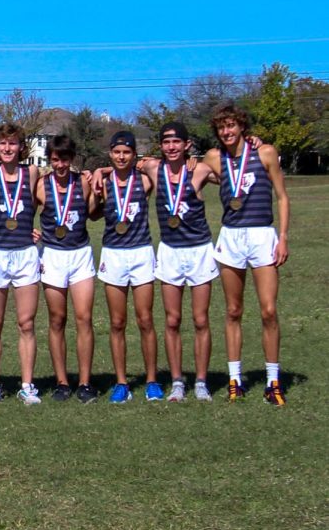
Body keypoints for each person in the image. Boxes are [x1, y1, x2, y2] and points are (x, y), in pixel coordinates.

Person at [202, 102, 290, 405]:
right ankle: (235, 380)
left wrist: (283, 237)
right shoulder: (214, 157)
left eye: (232, 125)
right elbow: (182, 167)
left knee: (268, 310)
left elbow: (282, 196)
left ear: (242, 127)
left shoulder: (264, 152)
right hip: (231, 237)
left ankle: (272, 381)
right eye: (221, 127)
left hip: (262, 234)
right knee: (233, 310)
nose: (227, 131)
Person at [131, 123, 221, 402]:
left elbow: (228, 170)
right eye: (166, 142)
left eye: (176, 142)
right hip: (170, 251)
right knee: (172, 319)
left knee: (201, 318)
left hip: (199, 250)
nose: (171, 147)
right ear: (161, 146)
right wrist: (99, 171)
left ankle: (202, 381)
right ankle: (178, 381)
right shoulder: (153, 168)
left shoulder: (201, 169)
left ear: (187, 144)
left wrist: (247, 143)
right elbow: (123, 163)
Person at [91, 131, 160, 403]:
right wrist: (98, 183)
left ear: (134, 155)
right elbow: (94, 215)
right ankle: (121, 382)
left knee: (145, 320)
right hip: (114, 254)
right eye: (117, 152)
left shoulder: (144, 181)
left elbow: (158, 166)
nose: (121, 157)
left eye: (127, 152)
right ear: (110, 152)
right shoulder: (104, 184)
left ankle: (152, 380)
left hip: (142, 252)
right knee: (117, 322)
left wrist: (103, 168)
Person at [0, 124, 42, 405]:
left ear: (21, 147)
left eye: (12, 144)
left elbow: (52, 195)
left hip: (26, 253)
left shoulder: (33, 173)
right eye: (2, 144)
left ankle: (27, 385)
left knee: (26, 323)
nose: (7, 148)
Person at [35, 136, 99, 403]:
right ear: (50, 160)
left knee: (84, 318)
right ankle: (62, 381)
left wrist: (99, 179)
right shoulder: (40, 185)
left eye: (65, 159)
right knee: (57, 319)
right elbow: (23, 210)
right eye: (55, 159)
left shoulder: (82, 183)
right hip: (52, 255)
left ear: (72, 159)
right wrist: (29, 229)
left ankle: (84, 382)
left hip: (80, 254)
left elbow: (95, 213)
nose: (60, 164)